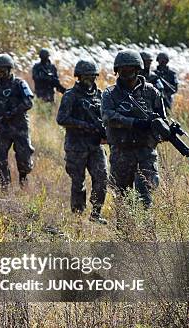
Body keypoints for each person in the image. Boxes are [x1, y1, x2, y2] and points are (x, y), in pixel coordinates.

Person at [101, 50, 167, 211]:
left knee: (145, 195)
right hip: (121, 151)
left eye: (130, 69)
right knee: (123, 196)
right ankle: (125, 233)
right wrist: (135, 123)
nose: (126, 73)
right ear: (117, 71)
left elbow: (162, 118)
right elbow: (108, 117)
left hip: (146, 151)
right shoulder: (109, 94)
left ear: (138, 69)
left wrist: (163, 130)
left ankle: (145, 234)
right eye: (122, 70)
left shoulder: (151, 92)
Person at [56, 60, 108, 224]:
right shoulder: (70, 95)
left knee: (102, 178)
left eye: (91, 76)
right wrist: (84, 125)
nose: (88, 79)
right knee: (78, 182)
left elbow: (106, 117)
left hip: (95, 145)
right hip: (76, 146)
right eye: (85, 76)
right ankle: (78, 216)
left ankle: (96, 213)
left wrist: (105, 132)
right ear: (78, 77)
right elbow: (62, 119)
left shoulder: (100, 95)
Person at [0, 53, 35, 190]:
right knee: (0, 157)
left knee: (24, 157)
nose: (1, 73)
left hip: (20, 127)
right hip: (3, 129)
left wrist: (12, 113)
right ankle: (4, 187)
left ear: (9, 69)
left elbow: (29, 103)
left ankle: (23, 181)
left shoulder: (19, 84)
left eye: (3, 70)